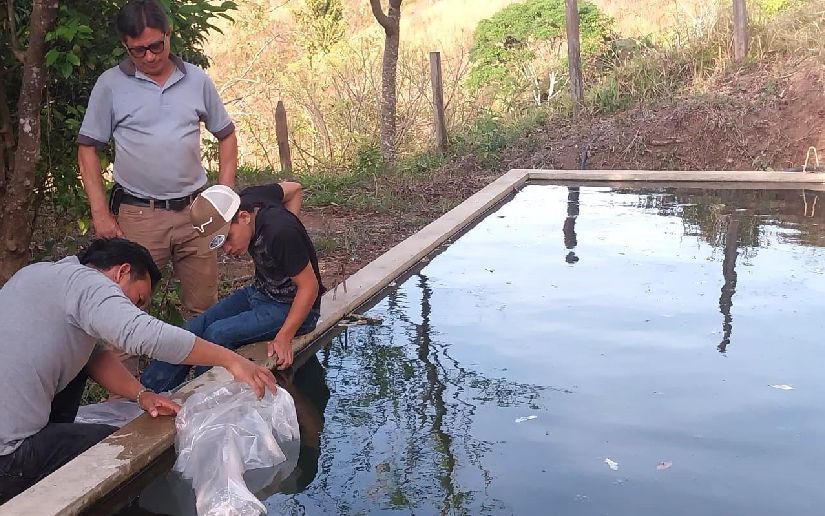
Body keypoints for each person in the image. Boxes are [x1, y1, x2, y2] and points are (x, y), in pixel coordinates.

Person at [0, 238, 276, 504]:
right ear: (122, 272)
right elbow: (143, 334)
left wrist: (142, 394)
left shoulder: (38, 275)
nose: (132, 309)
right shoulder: (90, 284)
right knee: (114, 451)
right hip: (9, 459)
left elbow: (92, 357)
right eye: (138, 299)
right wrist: (231, 360)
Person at [76, 0, 238, 374]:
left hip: (197, 213)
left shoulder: (196, 80)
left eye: (155, 46)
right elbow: (87, 149)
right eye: (138, 50)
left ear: (168, 35)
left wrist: (223, 198)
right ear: (125, 45)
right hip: (140, 215)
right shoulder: (111, 85)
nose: (149, 56)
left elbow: (226, 135)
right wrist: (100, 213)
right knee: (124, 315)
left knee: (205, 308)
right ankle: (129, 402)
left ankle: (204, 387)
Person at [140, 182, 326, 392]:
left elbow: (310, 288)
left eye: (228, 238)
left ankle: (204, 398)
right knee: (193, 329)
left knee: (217, 334)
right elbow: (294, 188)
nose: (227, 249)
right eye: (220, 243)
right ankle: (145, 394)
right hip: (260, 292)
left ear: (244, 217)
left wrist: (284, 337)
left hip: (293, 307)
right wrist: (289, 242)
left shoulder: (281, 231)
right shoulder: (251, 197)